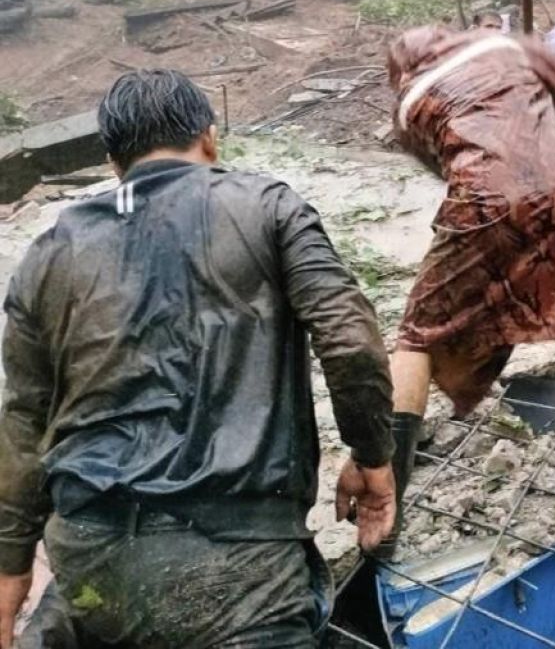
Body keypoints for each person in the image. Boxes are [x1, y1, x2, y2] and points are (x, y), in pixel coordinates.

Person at [0, 70, 396, 649]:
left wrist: (11, 567)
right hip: (241, 572)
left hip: (93, 562)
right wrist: (373, 457)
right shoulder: (271, 208)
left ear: (115, 161)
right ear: (209, 138)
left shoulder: (49, 252)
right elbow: (350, 338)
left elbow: (21, 423)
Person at [380, 26, 555, 551]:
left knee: (417, 338)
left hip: (485, 197)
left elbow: (450, 167)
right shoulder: (504, 45)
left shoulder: (407, 109)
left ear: (402, 68)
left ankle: (387, 516)